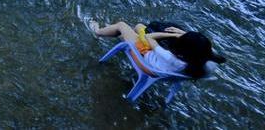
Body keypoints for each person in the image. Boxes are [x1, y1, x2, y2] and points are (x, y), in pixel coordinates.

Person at [94, 21, 225, 79]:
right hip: (165, 72)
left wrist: (173, 35)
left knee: (122, 25)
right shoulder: (204, 64)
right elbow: (204, 47)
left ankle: (98, 31)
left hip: (145, 61)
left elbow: (148, 38)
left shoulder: (169, 56)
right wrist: (183, 35)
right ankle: (120, 34)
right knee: (139, 26)